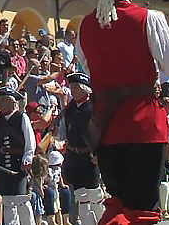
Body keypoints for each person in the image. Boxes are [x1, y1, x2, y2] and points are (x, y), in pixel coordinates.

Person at [74, 0, 169, 225]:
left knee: (119, 200)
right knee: (141, 208)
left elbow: (89, 69)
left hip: (105, 127)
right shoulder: (149, 18)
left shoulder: (86, 25)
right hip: (143, 126)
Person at [57, 72, 102, 225]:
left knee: (94, 195)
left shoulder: (94, 108)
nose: (73, 90)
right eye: (72, 87)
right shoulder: (69, 109)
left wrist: (98, 152)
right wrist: (59, 140)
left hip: (89, 156)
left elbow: (101, 131)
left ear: (85, 89)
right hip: (73, 156)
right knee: (81, 196)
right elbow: (63, 130)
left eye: (76, 87)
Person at [0, 87, 37, 225]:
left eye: (4, 100)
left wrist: (27, 158)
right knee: (7, 201)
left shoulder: (21, 117)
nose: (1, 103)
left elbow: (30, 141)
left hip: (18, 164)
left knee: (21, 200)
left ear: (12, 102)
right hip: (1, 166)